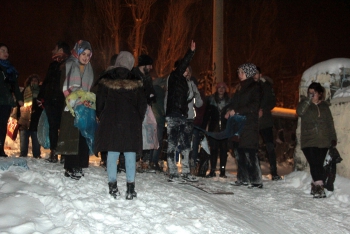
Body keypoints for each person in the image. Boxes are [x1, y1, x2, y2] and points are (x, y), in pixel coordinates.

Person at [95, 51, 147, 199]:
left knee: (112, 153)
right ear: (130, 64)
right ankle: (130, 188)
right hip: (130, 123)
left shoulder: (107, 78)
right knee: (130, 153)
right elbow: (142, 104)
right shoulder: (137, 80)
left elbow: (100, 102)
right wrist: (137, 118)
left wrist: (102, 116)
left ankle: (113, 187)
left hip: (111, 122)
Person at [56, 40, 94, 180]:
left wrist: (88, 98)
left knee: (82, 135)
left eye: (88, 54)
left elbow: (90, 88)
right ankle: (70, 166)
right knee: (72, 136)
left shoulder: (89, 68)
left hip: (84, 107)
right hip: (71, 106)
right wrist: (76, 97)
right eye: (83, 53)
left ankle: (80, 164)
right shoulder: (69, 64)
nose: (85, 57)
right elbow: (64, 86)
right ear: (77, 52)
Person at [296, 82, 337, 198]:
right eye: (309, 93)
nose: (311, 95)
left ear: (319, 94)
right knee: (314, 163)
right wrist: (308, 100)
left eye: (313, 93)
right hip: (309, 140)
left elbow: (330, 123)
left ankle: (315, 186)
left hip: (323, 141)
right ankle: (319, 188)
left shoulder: (325, 106)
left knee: (318, 164)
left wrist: (333, 138)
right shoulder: (304, 103)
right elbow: (300, 112)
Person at [227, 63, 263, 188]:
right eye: (239, 72)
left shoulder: (255, 87)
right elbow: (234, 103)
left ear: (248, 73)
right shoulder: (239, 88)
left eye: (242, 72)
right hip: (238, 124)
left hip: (248, 124)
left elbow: (253, 106)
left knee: (249, 151)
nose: (239, 75)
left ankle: (256, 180)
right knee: (238, 151)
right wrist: (230, 110)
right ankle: (242, 178)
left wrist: (237, 111)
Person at [165, 40, 196, 182]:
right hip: (173, 115)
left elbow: (189, 98)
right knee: (172, 143)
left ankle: (186, 171)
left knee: (185, 145)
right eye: (184, 68)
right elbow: (183, 64)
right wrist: (191, 52)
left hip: (183, 116)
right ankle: (172, 171)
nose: (186, 71)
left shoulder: (184, 82)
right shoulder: (174, 76)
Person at [38, 41, 71, 163]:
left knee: (64, 127)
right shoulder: (53, 65)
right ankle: (54, 151)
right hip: (51, 100)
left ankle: (63, 152)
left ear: (61, 50)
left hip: (63, 100)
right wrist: (41, 97)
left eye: (55, 49)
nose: (53, 51)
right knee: (53, 126)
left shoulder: (69, 64)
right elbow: (47, 81)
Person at [253, 67, 281, 181]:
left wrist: (263, 109)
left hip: (265, 121)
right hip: (254, 121)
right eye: (253, 73)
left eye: (256, 73)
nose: (254, 75)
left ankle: (274, 172)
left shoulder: (266, 86)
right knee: (253, 147)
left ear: (260, 74)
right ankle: (256, 172)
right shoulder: (249, 87)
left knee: (269, 146)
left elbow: (272, 102)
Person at [132, 54, 157, 170]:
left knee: (148, 131)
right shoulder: (134, 75)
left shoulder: (147, 77)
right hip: (135, 109)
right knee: (137, 133)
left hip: (146, 109)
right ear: (144, 65)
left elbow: (150, 91)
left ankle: (145, 160)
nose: (151, 67)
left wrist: (151, 96)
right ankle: (136, 159)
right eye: (149, 65)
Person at [0, 43, 24, 157]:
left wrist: (19, 99)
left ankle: (0, 148)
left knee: (3, 124)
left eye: (6, 51)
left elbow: (15, 86)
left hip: (5, 101)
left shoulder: (10, 69)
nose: (6, 53)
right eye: (3, 51)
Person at [203, 82, 230, 178]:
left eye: (223, 87)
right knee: (213, 150)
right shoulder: (211, 101)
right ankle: (212, 170)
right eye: (219, 87)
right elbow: (206, 116)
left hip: (225, 129)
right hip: (213, 128)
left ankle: (222, 170)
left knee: (223, 150)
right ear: (217, 89)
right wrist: (203, 128)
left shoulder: (229, 102)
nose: (221, 89)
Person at [18, 74, 43, 158]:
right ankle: (23, 155)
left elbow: (42, 106)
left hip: (36, 120)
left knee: (36, 146)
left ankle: (36, 156)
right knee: (23, 145)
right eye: (32, 80)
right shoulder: (25, 91)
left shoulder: (41, 92)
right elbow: (19, 105)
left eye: (36, 81)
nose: (34, 82)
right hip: (24, 119)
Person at [185, 69, 203, 175]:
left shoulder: (192, 85)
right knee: (179, 143)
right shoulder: (176, 83)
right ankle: (174, 165)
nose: (187, 74)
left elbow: (199, 103)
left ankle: (191, 167)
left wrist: (196, 95)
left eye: (189, 72)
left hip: (190, 118)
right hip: (179, 117)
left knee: (190, 144)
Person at [148, 76, 167, 172]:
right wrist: (164, 114)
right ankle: (154, 162)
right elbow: (163, 107)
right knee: (158, 142)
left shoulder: (151, 90)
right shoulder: (160, 92)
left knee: (151, 141)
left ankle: (148, 160)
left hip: (150, 119)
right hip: (158, 119)